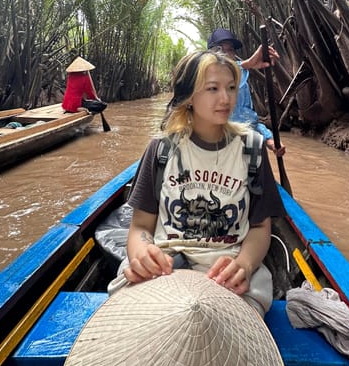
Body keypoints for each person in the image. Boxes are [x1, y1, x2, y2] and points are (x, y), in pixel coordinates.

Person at [110, 49, 286, 316]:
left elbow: (261, 227)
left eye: (231, 88)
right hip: (165, 268)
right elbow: (140, 227)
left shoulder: (252, 148)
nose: (226, 98)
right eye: (212, 89)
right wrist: (143, 253)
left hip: (227, 275)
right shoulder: (162, 150)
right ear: (190, 96)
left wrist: (245, 265)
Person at [207, 27, 286, 156]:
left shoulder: (241, 83)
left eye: (230, 50)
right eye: (220, 50)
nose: (226, 55)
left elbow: (249, 119)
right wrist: (247, 63)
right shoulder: (202, 82)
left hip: (243, 149)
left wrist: (269, 139)